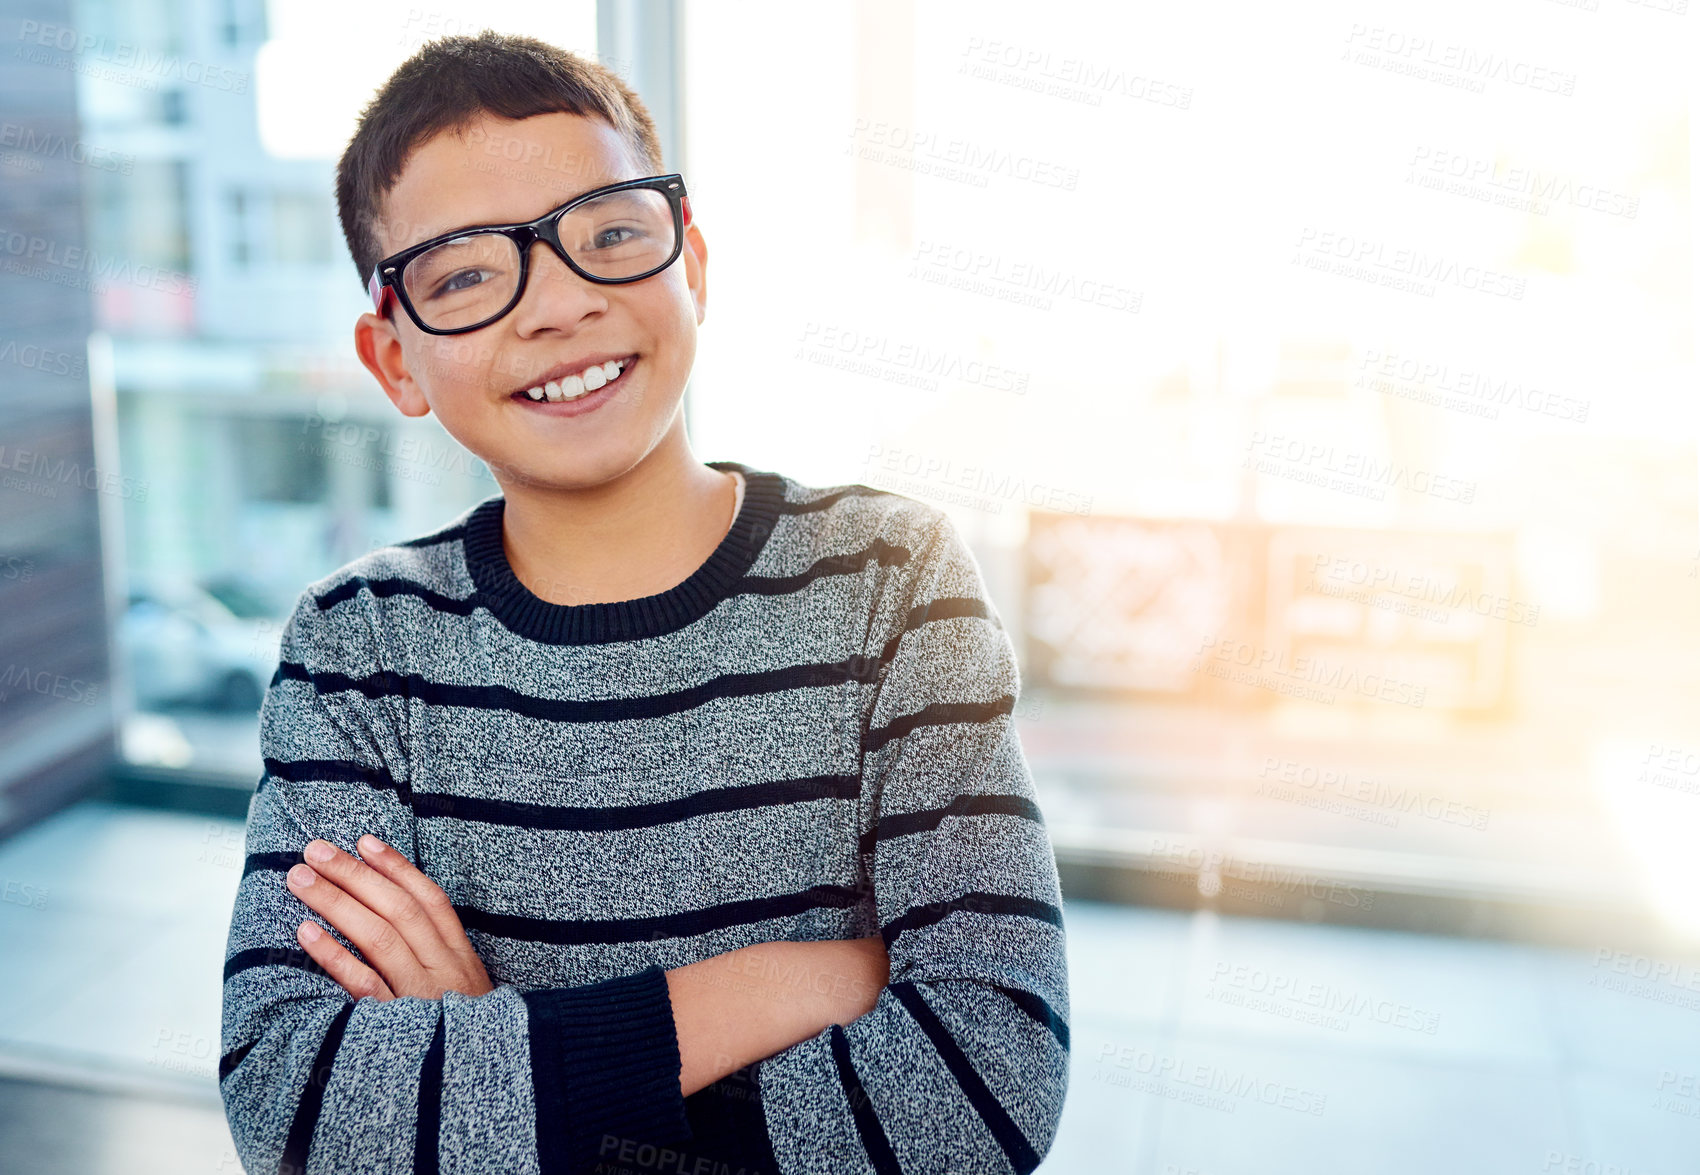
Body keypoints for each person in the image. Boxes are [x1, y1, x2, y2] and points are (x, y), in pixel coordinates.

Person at [218, 30, 1068, 1175]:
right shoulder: (357, 645)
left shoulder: (889, 579)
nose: (558, 305)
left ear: (693, 266)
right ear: (394, 361)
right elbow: (298, 1104)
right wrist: (790, 978)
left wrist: (497, 1060)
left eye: (611, 234)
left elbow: (984, 1078)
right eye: (466, 273)